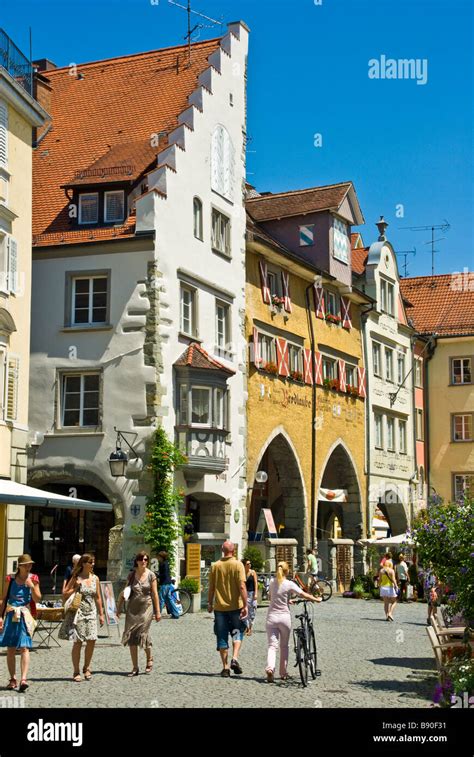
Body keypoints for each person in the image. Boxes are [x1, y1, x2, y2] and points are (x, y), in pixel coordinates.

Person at [265, 561, 320, 683]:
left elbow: (271, 597)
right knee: (284, 646)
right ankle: (283, 673)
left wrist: (285, 600)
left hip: (271, 617)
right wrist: (316, 599)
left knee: (272, 646)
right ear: (287, 571)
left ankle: (270, 669)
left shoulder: (273, 582)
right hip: (284, 618)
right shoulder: (289, 584)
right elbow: (303, 594)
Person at [59, 553, 105, 682]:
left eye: (93, 562)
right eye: (91, 562)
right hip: (78, 613)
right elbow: (64, 594)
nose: (93, 564)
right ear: (84, 564)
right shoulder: (76, 577)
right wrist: (76, 588)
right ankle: (76, 671)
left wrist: (101, 614)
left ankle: (87, 667)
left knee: (92, 640)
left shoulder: (95, 578)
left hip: (91, 612)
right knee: (78, 642)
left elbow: (98, 597)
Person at [0, 554, 41, 692]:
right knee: (11, 648)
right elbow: (3, 598)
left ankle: (23, 679)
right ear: (20, 566)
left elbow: (38, 599)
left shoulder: (33, 579)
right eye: (26, 565)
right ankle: (13, 679)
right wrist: (0, 616)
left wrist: (31, 587)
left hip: (25, 615)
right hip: (11, 614)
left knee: (25, 647)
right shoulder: (9, 579)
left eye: (30, 565)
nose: (29, 567)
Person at [207, 540, 248, 677]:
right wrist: (246, 605)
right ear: (233, 550)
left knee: (222, 635)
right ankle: (234, 658)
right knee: (237, 632)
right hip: (236, 606)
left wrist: (209, 603)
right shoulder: (238, 565)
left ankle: (225, 667)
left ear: (222, 550)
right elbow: (242, 586)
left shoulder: (215, 566)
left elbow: (211, 587)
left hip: (220, 608)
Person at [117, 551, 161, 676]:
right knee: (131, 636)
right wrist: (119, 608)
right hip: (132, 609)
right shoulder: (131, 575)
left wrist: (157, 612)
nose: (144, 561)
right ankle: (135, 667)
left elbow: (155, 594)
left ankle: (149, 658)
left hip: (146, 608)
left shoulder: (151, 575)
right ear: (137, 561)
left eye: (146, 559)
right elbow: (125, 592)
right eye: (141, 559)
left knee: (143, 633)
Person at [156, 551, 180, 619]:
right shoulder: (165, 563)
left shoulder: (163, 564)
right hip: (167, 583)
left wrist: (158, 575)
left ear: (162, 557)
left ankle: (158, 614)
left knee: (161, 599)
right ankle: (176, 614)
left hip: (165, 584)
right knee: (169, 599)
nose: (157, 558)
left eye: (158, 557)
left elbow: (165, 574)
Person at [242, 558, 258, 635]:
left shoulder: (253, 572)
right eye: (248, 564)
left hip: (252, 593)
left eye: (250, 563)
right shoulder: (242, 573)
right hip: (244, 594)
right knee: (245, 611)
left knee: (252, 611)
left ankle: (250, 628)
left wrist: (256, 593)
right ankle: (246, 627)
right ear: (244, 565)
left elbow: (255, 583)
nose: (250, 565)